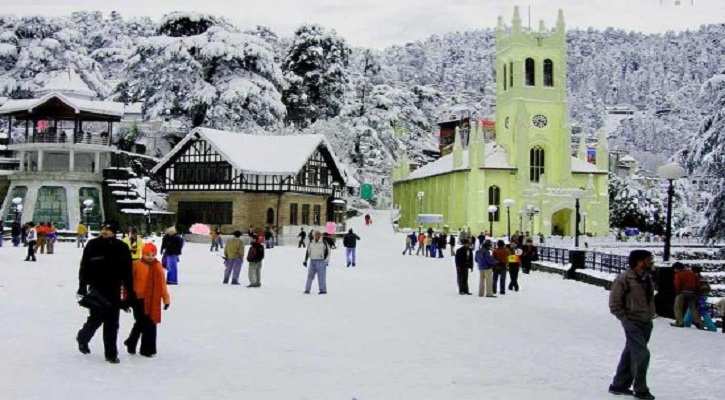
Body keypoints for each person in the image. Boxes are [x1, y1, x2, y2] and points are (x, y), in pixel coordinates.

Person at [76, 220, 134, 364]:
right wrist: (82, 286)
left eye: (108, 229)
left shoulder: (122, 247)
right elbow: (84, 266)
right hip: (97, 288)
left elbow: (127, 272)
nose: (104, 231)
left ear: (115, 231)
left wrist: (129, 294)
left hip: (114, 289)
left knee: (112, 322)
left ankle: (111, 354)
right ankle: (83, 338)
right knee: (95, 319)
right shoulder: (93, 245)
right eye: (103, 228)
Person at [608, 250, 656, 400]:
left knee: (631, 352)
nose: (651, 262)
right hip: (632, 321)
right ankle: (641, 389)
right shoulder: (623, 279)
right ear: (638, 261)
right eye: (648, 260)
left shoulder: (647, 278)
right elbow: (615, 304)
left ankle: (619, 385)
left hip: (646, 321)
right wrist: (625, 319)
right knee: (642, 354)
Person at [123, 242, 170, 358]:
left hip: (153, 299)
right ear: (143, 254)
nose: (150, 257)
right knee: (140, 322)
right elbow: (127, 283)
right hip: (138, 298)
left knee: (150, 324)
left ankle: (147, 349)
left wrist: (166, 299)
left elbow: (162, 284)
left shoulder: (157, 266)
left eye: (153, 254)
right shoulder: (136, 265)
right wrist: (125, 298)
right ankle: (131, 342)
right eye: (147, 254)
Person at [670, 262, 704, 329]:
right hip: (692, 293)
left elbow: (677, 284)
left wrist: (677, 292)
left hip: (682, 292)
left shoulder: (678, 274)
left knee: (678, 307)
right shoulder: (691, 273)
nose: (674, 270)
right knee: (693, 308)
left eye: (674, 269)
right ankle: (699, 323)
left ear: (677, 268)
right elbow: (697, 283)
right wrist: (696, 293)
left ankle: (679, 322)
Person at [683, 266, 717, 332]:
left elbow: (697, 289)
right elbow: (708, 288)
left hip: (699, 297)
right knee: (695, 310)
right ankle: (687, 322)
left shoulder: (697, 279)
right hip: (703, 297)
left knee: (700, 311)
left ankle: (712, 327)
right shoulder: (702, 278)